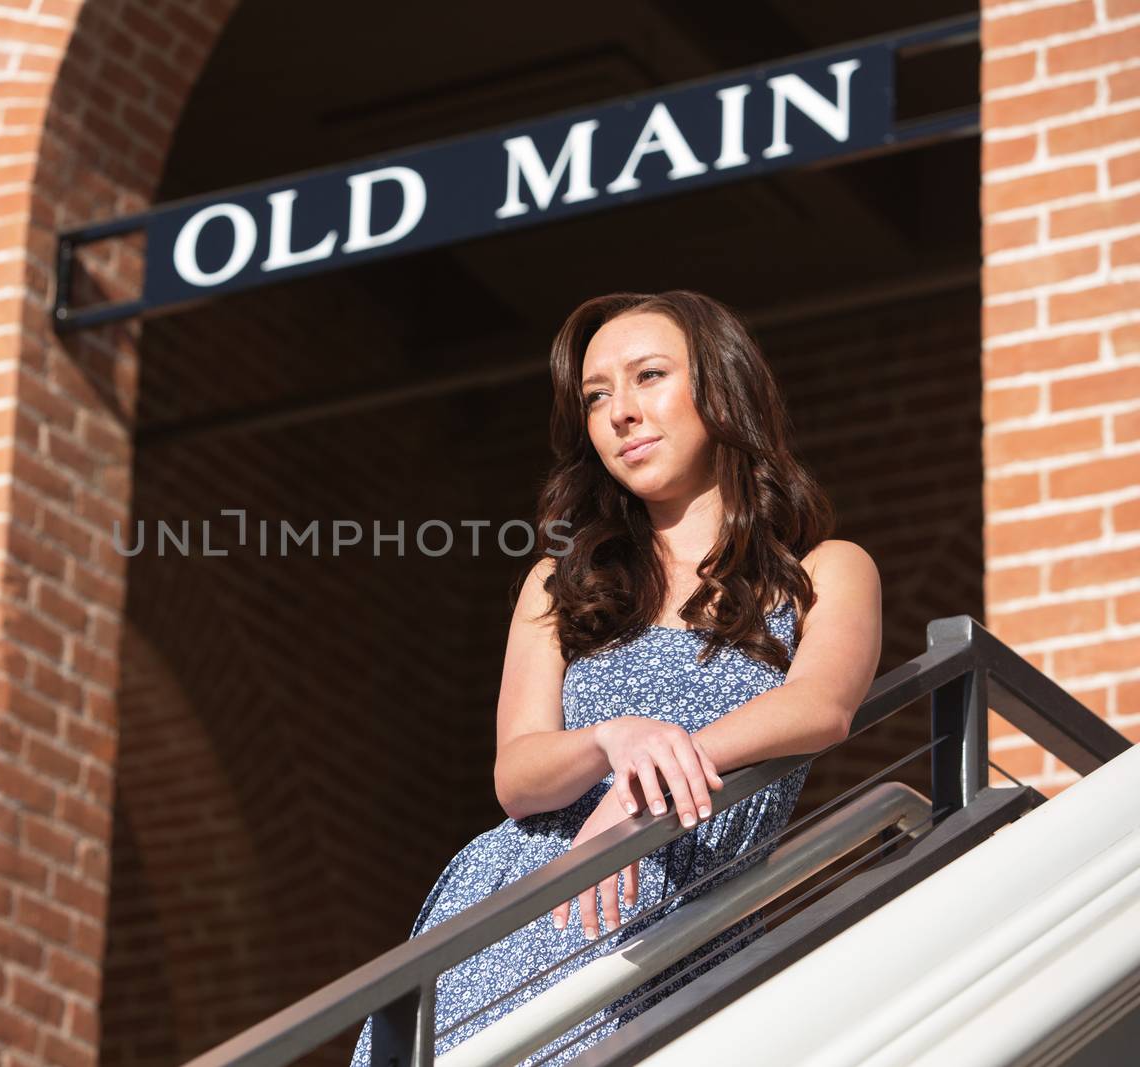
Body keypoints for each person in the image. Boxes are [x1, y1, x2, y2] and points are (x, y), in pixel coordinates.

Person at [348, 290, 882, 1066]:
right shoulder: (557, 583)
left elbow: (820, 707)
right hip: (531, 903)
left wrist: (650, 778)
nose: (621, 412)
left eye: (649, 376)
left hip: (687, 922)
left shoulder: (827, 571)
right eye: (597, 396)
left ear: (722, 388)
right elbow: (518, 774)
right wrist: (610, 741)